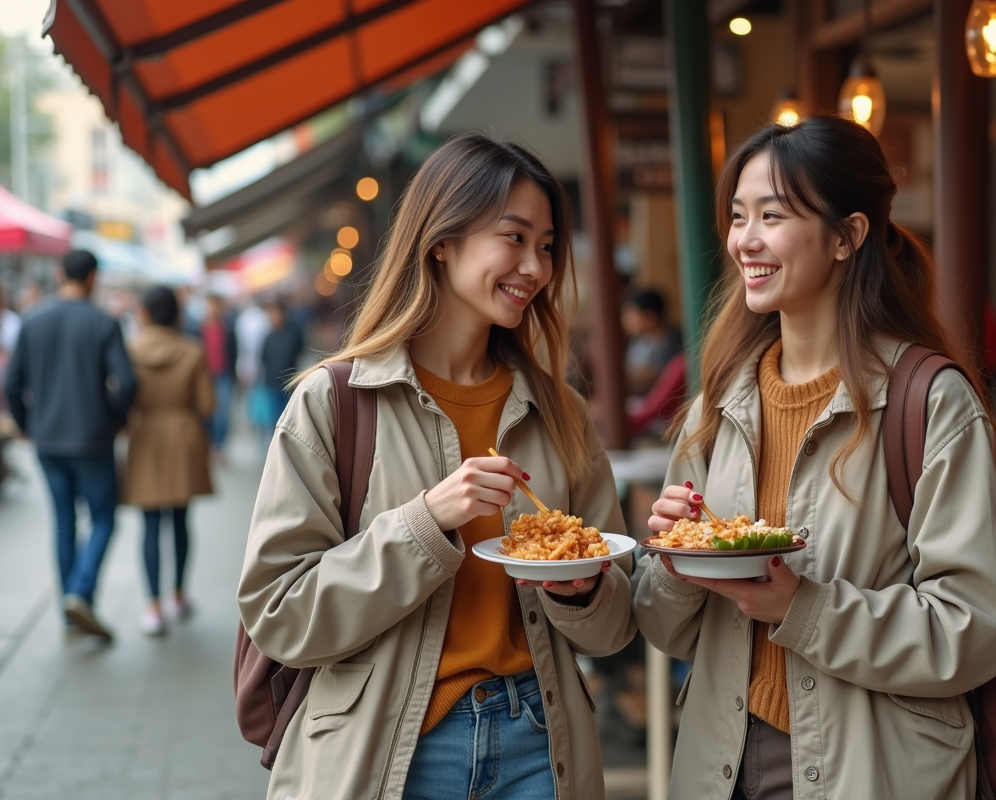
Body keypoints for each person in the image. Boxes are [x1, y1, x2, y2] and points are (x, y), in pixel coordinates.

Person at [237, 133, 637, 800]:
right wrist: (425, 524)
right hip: (387, 748)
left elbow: (614, 624)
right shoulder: (335, 402)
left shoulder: (559, 409)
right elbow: (279, 614)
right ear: (441, 241)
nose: (534, 267)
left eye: (545, 246)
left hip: (541, 742)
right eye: (513, 237)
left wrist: (583, 591)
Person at [633, 115, 996, 800]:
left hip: (872, 772)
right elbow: (668, 630)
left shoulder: (928, 403)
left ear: (847, 236)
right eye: (737, 216)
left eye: (772, 216)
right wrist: (671, 560)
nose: (743, 240)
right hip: (719, 764)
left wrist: (804, 607)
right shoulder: (716, 406)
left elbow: (975, 628)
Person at [4, 250, 137, 640]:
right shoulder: (104, 322)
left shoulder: (31, 321)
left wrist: (27, 425)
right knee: (103, 517)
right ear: (93, 277)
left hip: (46, 438)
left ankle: (69, 608)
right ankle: (80, 593)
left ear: (59, 273)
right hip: (92, 436)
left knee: (63, 521)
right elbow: (126, 383)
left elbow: (11, 384)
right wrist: (115, 419)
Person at [125, 286, 215, 636]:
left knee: (149, 523)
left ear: (144, 312)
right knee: (180, 519)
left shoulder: (130, 349)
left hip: (144, 436)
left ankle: (152, 606)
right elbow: (207, 404)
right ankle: (178, 595)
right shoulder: (192, 351)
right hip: (182, 436)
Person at [620, 288, 682, 398]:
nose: (626, 323)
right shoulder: (637, 343)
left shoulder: (676, 342)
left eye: (631, 318)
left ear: (650, 317)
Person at [198, 294, 238, 459]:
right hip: (205, 377)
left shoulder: (227, 329)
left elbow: (234, 352)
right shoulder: (199, 329)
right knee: (207, 412)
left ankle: (218, 445)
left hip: (223, 375)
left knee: (222, 414)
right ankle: (208, 443)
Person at [257, 299, 305, 427]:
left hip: (289, 381)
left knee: (290, 417)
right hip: (272, 383)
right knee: (274, 418)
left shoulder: (293, 332)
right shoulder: (269, 336)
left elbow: (301, 350)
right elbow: (263, 359)